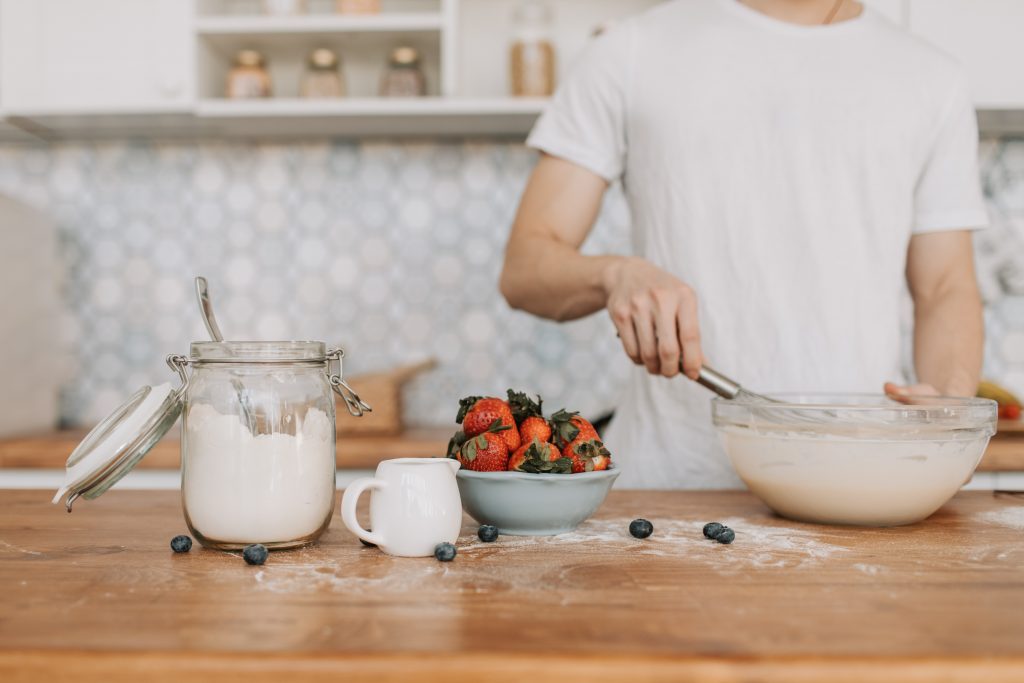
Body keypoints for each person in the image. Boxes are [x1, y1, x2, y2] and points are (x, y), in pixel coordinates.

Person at [500, 0, 987, 488]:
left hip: (858, 483)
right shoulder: (628, 52)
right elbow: (525, 268)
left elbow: (944, 287)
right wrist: (615, 275)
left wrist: (951, 411)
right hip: (672, 488)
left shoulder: (931, 78)